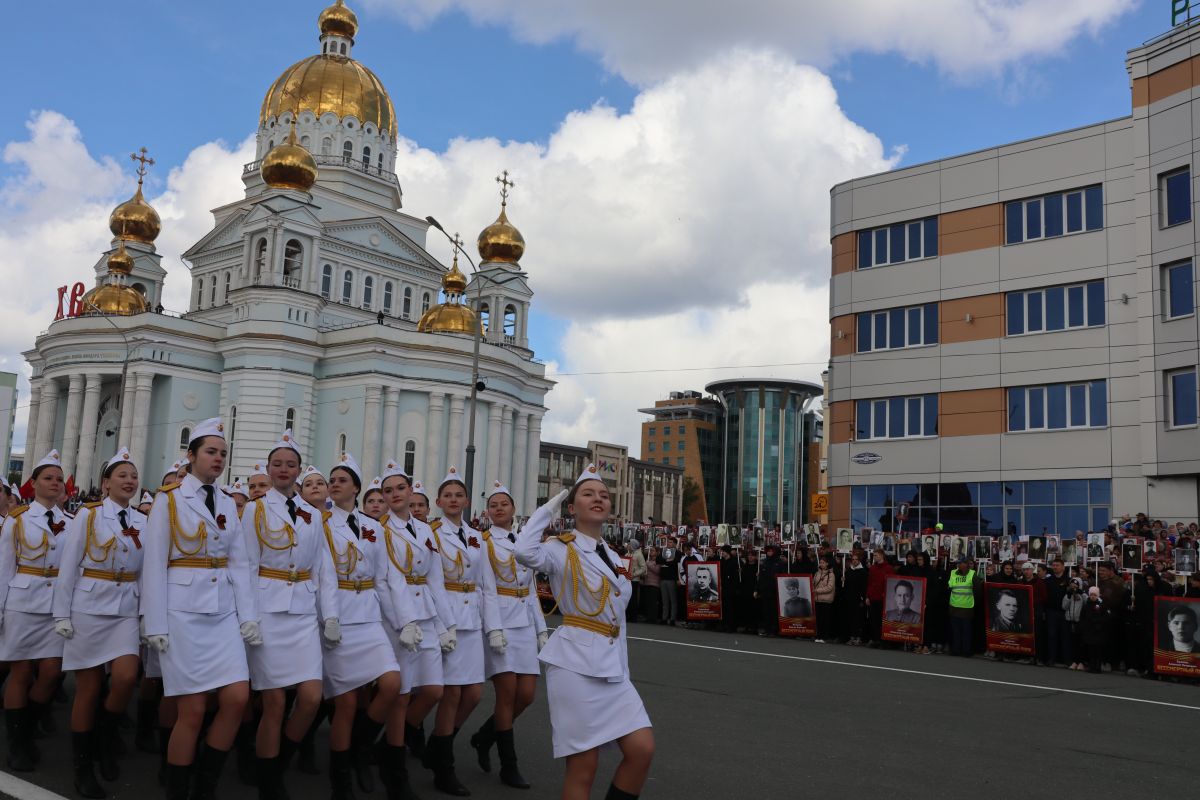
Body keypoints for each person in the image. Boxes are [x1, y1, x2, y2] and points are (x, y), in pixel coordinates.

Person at [516, 465, 654, 800]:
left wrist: (623, 669)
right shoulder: (559, 548)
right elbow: (522, 550)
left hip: (612, 669)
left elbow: (616, 623)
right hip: (575, 665)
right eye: (588, 494)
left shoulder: (615, 556)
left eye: (604, 495)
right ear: (572, 506)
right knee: (584, 767)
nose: (598, 499)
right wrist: (548, 508)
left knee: (642, 749)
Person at [141, 418, 261, 800]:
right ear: (190, 456)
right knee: (191, 710)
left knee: (238, 698)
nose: (218, 459)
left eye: (223, 453)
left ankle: (205, 783)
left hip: (223, 613)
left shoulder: (227, 500)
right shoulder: (169, 499)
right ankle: (178, 787)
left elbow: (239, 563)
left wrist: (249, 617)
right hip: (183, 615)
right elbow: (155, 564)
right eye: (211, 452)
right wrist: (154, 622)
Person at [243, 431, 340, 800]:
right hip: (268, 612)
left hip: (301, 614)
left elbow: (324, 568)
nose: (283, 469)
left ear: (298, 471)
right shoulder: (254, 509)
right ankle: (270, 782)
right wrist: (248, 616)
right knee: (274, 702)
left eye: (291, 464)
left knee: (312, 697)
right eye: (277, 464)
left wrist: (329, 615)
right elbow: (246, 565)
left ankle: (277, 762)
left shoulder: (313, 515)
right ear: (269, 469)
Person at [52, 447, 146, 797]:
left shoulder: (144, 521)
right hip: (89, 608)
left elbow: (147, 572)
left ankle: (106, 739)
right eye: (122, 475)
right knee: (89, 690)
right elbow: (69, 566)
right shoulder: (88, 517)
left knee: (124, 678)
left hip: (125, 610)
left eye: (133, 476)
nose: (130, 481)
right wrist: (61, 613)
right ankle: (83, 767)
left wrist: (147, 616)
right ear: (105, 483)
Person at [322, 453, 405, 800]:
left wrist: (404, 621)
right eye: (333, 479)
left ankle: (360, 747)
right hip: (338, 616)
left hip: (369, 616)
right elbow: (322, 574)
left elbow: (385, 579)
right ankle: (341, 780)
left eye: (343, 479)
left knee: (391, 683)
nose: (335, 484)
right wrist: (328, 617)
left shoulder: (374, 527)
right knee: (345, 703)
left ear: (356, 487)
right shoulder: (320, 523)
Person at [417, 467, 503, 795]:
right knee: (451, 694)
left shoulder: (476, 536)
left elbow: (488, 586)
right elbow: (429, 583)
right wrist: (441, 625)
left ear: (467, 500)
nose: (453, 500)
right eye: (447, 495)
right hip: (448, 618)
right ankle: (443, 766)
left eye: (459, 495)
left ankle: (438, 747)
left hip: (472, 620)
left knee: (474, 694)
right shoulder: (430, 533)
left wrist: (493, 627)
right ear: (438, 501)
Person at [376, 460, 453, 795]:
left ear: (411, 491)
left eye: (400, 488)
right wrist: (401, 622)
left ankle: (385, 748)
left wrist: (446, 623)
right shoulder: (378, 529)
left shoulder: (425, 530)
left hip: (427, 613)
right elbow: (383, 582)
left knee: (434, 690)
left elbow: (435, 579)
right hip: (398, 616)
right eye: (388, 490)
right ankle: (395, 772)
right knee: (402, 695)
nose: (394, 494)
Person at [468, 480, 548, 790]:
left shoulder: (524, 542)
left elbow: (530, 590)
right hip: (499, 621)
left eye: (504, 503)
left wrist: (541, 629)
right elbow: (486, 590)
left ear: (514, 509)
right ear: (487, 512)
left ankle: (483, 737)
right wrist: (493, 629)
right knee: (507, 694)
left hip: (524, 624)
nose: (499, 508)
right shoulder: (484, 542)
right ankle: (508, 765)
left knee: (526, 696)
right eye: (493, 504)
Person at [0, 450, 68, 773]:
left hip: (56, 607)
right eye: (48, 478)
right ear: (33, 483)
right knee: (22, 672)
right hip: (23, 603)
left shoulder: (73, 521)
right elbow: (3, 570)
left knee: (52, 672)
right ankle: (17, 743)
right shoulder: (18, 520)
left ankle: (26, 730)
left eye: (58, 478)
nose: (54, 483)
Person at [947, 558, 978, 657]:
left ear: (967, 564)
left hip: (967, 608)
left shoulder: (972, 574)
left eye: (961, 563)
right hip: (954, 606)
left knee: (966, 631)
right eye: (958, 563)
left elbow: (978, 591)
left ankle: (966, 651)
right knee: (956, 631)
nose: (959, 565)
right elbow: (949, 586)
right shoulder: (953, 573)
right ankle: (956, 650)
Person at [813, 556, 836, 642]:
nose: (821, 564)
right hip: (817, 599)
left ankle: (825, 636)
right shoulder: (816, 573)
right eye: (821, 562)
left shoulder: (831, 574)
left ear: (827, 564)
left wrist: (817, 591)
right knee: (818, 619)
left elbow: (829, 587)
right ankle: (819, 635)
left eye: (823, 562)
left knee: (825, 619)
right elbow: (813, 583)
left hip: (826, 600)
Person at [656, 539, 679, 626]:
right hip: (663, 578)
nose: (668, 544)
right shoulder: (663, 551)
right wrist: (667, 561)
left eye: (670, 542)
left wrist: (666, 561)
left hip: (672, 578)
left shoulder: (677, 552)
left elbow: (676, 562)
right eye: (668, 542)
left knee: (673, 600)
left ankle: (672, 618)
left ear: (675, 544)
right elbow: (658, 560)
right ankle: (664, 618)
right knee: (664, 600)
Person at [642, 545, 662, 623]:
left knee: (653, 602)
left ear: (657, 552)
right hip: (647, 582)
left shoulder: (658, 560)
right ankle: (648, 617)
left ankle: (653, 618)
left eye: (653, 550)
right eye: (651, 550)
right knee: (648, 601)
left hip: (654, 583)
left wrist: (647, 565)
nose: (651, 552)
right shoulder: (648, 560)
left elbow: (657, 570)